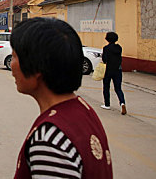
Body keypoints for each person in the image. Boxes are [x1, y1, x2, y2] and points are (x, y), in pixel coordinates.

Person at [10, 18, 113, 178]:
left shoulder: (50, 140)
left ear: (37, 68)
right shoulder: (82, 109)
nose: (11, 64)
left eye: (15, 56)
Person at [101, 31, 127, 115]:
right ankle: (122, 103)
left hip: (108, 70)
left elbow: (104, 60)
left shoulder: (106, 48)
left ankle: (107, 104)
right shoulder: (119, 48)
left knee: (106, 87)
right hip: (118, 70)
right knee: (118, 88)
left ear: (107, 39)